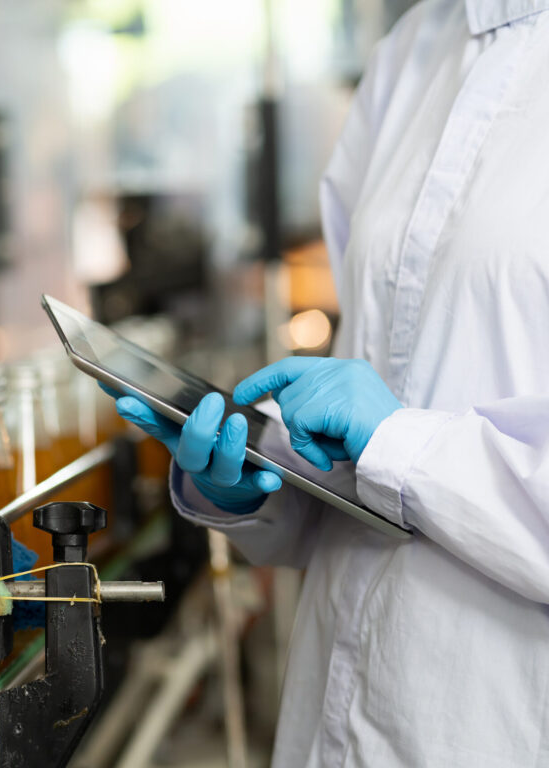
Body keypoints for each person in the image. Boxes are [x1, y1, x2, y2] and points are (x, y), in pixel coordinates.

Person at [105, 0, 549, 765]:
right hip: (332, 716)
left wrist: (396, 442)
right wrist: (262, 476)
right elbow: (367, 426)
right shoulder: (412, 51)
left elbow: (391, 437)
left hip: (492, 721)